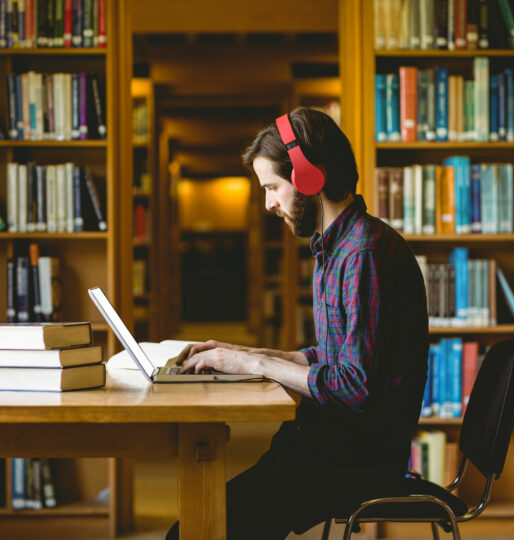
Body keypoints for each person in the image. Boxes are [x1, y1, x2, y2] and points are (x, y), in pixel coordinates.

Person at [166, 107, 429, 540]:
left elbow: (354, 385)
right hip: (326, 445)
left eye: (273, 187)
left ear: (309, 178)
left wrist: (256, 365)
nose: (269, 203)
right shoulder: (337, 246)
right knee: (199, 523)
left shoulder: (364, 253)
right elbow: (329, 359)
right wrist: (238, 354)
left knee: (194, 532)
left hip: (352, 460)